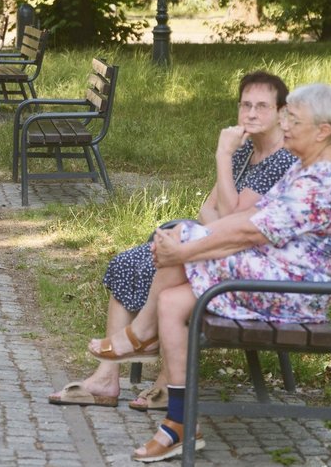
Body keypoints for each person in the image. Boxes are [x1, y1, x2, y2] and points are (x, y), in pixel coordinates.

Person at [85, 83, 331, 463]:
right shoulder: (307, 164)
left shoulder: (324, 182)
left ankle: (141, 336)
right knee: (171, 298)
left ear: (323, 130)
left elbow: (250, 230)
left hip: (292, 292)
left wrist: (186, 248)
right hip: (273, 271)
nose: (284, 123)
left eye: (292, 118)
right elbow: (251, 217)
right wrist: (189, 241)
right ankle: (180, 423)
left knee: (180, 247)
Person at [49, 71, 297, 410]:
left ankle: (165, 380)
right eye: (245, 105)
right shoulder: (246, 150)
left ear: (282, 113)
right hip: (220, 247)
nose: (251, 113)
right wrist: (214, 222)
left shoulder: (280, 160)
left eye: (262, 106)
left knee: (169, 261)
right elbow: (208, 208)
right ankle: (107, 377)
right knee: (132, 260)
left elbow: (230, 218)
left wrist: (221, 158)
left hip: (248, 263)